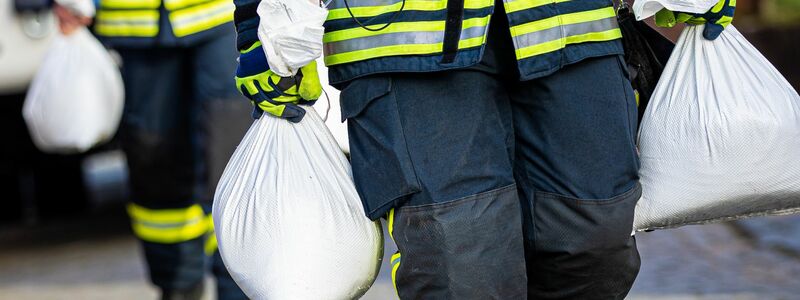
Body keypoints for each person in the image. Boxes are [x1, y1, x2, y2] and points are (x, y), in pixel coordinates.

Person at [231, 0, 735, 298]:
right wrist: (261, 28)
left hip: (566, 21)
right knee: (460, 262)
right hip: (405, 41)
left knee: (594, 240)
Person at [54, 0, 251, 299]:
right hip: (135, 26)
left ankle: (241, 283)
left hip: (221, 17)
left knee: (230, 157)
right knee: (156, 165)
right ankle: (177, 282)